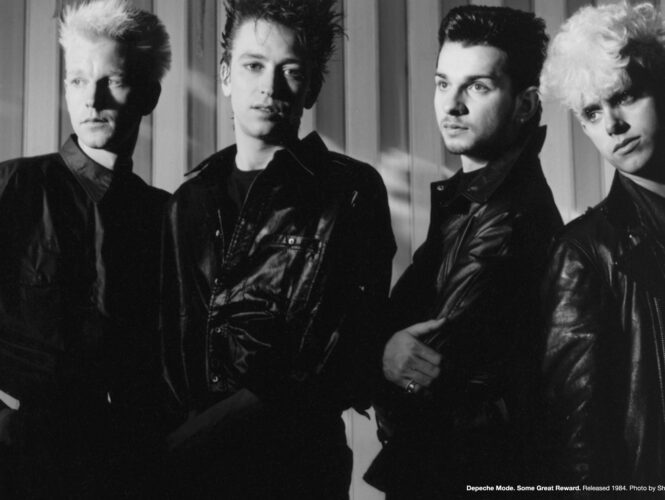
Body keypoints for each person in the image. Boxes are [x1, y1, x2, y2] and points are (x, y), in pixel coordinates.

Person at [159, 0, 396, 498]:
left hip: (297, 466)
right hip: (194, 471)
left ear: (312, 87)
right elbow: (169, 347)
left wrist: (198, 436)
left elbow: (343, 351)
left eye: (291, 71)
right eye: (253, 66)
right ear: (226, 75)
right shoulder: (189, 201)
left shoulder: (350, 192)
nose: (270, 86)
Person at [364, 5, 562, 498]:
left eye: (477, 87)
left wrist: (380, 357)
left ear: (524, 104)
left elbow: (424, 367)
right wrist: (382, 350)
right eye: (442, 83)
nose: (451, 105)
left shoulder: (508, 218)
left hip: (464, 474)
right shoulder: (471, 199)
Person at [0, 0, 170, 497]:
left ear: (149, 94)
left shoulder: (167, 217)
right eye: (77, 80)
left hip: (126, 469)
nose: (91, 100)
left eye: (111, 80)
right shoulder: (12, 187)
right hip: (18, 466)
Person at [540, 2, 665, 491]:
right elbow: (580, 447)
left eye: (625, 96)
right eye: (592, 112)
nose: (612, 124)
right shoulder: (583, 254)